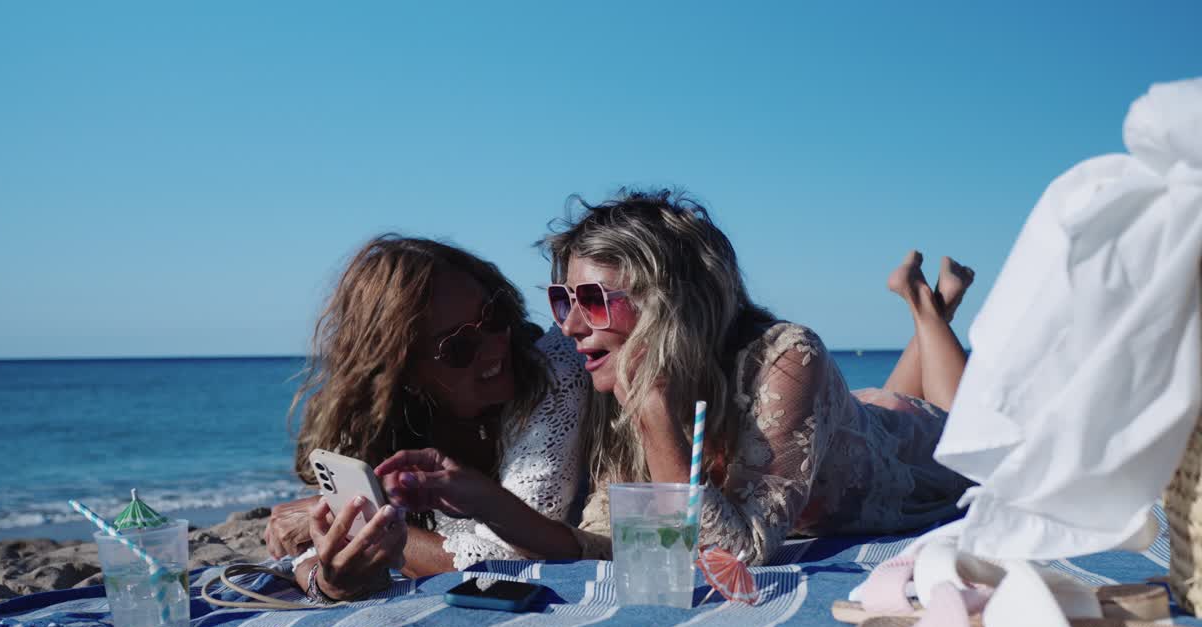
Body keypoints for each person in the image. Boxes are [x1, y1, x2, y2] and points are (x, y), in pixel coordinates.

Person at [382, 190, 974, 565]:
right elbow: (607, 543)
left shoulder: (786, 357)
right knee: (887, 403)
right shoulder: (616, 387)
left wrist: (659, 425)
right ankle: (929, 314)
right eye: (563, 300)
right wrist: (483, 498)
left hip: (907, 456)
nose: (569, 328)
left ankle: (928, 310)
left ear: (672, 303)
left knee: (966, 436)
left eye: (593, 299)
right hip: (849, 421)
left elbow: (736, 553)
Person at [264, 235, 589, 601]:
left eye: (494, 316)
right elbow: (311, 550)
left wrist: (354, 522)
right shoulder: (372, 420)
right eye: (458, 346)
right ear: (401, 369)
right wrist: (326, 577)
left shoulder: (552, 372)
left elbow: (511, 555)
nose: (495, 345)